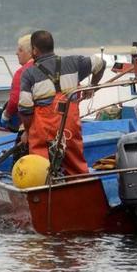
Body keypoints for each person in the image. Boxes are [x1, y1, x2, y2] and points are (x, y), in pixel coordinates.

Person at [18, 30, 106, 176]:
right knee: (76, 167)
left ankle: (44, 191)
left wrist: (27, 132)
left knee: (41, 171)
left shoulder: (29, 74)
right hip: (69, 126)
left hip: (43, 131)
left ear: (34, 50)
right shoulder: (74, 62)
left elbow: (25, 109)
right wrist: (93, 86)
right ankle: (79, 186)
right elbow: (100, 63)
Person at [1, 34, 35, 130]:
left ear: (30, 53)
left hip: (31, 124)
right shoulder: (47, 67)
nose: (16, 53)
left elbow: (15, 100)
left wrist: (6, 115)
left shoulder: (22, 72)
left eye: (20, 50)